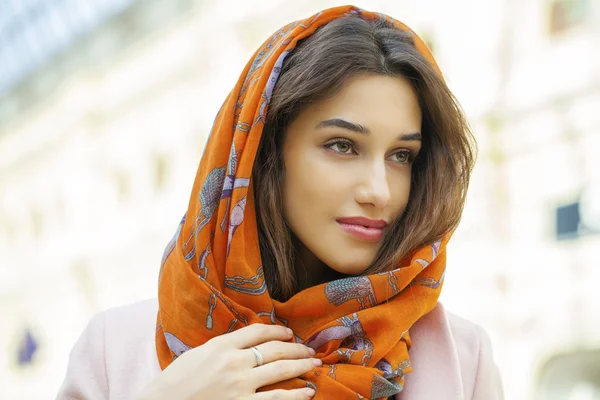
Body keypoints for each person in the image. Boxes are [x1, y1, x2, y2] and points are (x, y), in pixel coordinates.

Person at [57, 5, 504, 400]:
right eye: (343, 146)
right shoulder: (114, 350)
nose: (379, 191)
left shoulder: (462, 359)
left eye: (401, 156)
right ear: (266, 153)